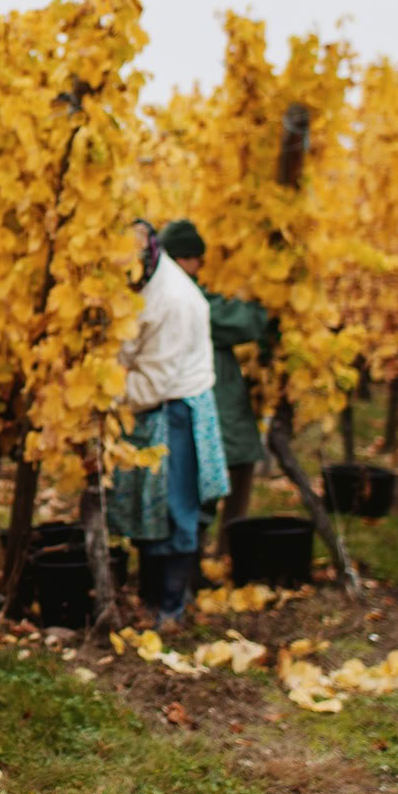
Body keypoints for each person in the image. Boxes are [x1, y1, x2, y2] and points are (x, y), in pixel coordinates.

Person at [107, 222, 231, 628]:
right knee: (147, 508)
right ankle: (149, 598)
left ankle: (170, 608)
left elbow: (152, 383)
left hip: (173, 406)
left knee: (175, 508)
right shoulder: (139, 279)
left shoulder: (173, 300)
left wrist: (102, 394)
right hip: (144, 400)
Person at [157, 219, 270, 530]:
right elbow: (242, 322)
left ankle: (208, 552)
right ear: (183, 260)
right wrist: (265, 302)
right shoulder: (192, 300)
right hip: (214, 404)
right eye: (198, 260)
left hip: (198, 402)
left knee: (201, 479)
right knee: (212, 478)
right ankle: (218, 552)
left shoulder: (168, 294)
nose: (202, 267)